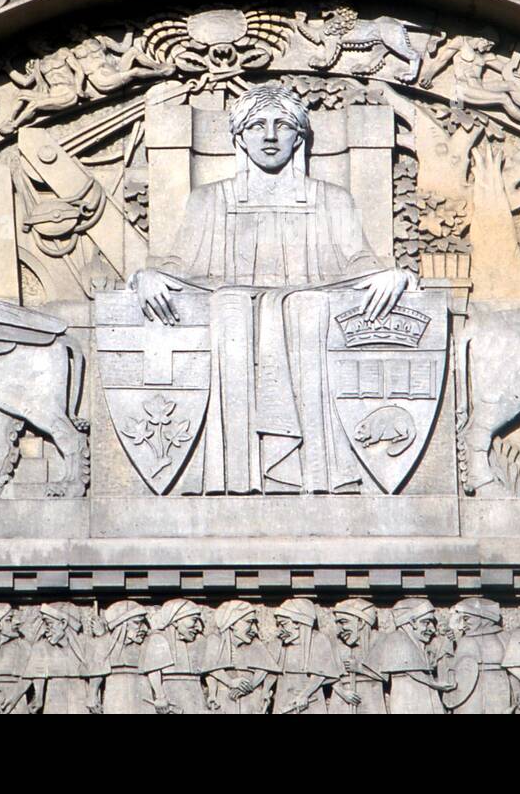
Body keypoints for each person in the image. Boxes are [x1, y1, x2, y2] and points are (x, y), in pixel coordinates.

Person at [129, 82, 412, 493]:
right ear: (239, 137)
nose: (270, 135)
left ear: (299, 135)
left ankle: (318, 472)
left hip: (310, 333)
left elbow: (361, 267)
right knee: (231, 306)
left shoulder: (331, 200)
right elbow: (178, 269)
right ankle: (235, 476)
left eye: (282, 125)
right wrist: (145, 277)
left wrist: (394, 275)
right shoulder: (210, 200)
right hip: (233, 333)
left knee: (307, 306)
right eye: (257, 125)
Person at [366, 598, 453, 714]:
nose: (432, 629)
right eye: (426, 622)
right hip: (408, 700)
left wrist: (448, 641)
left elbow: (434, 661)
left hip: (424, 698)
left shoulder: (421, 644)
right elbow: (411, 670)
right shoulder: (396, 638)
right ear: (412, 622)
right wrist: (435, 684)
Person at [202, 600, 279, 713]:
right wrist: (217, 691)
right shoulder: (215, 641)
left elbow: (268, 670)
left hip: (252, 700)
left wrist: (254, 687)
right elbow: (210, 670)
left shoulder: (256, 644)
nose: (254, 629)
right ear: (232, 623)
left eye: (255, 624)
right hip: (224, 700)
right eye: (249, 622)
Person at [270, 598, 339, 714]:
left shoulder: (318, 640)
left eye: (283, 624)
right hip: (283, 695)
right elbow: (272, 672)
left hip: (310, 698)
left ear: (298, 622)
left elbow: (320, 674)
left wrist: (304, 695)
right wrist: (265, 692)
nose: (279, 631)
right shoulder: (280, 644)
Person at [140, 599, 209, 714]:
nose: (198, 627)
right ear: (176, 620)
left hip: (196, 692)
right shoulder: (159, 639)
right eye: (194, 620)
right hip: (170, 693)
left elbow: (209, 670)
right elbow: (154, 670)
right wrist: (160, 696)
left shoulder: (199, 641)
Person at [328, 598, 386, 714]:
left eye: (343, 622)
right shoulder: (336, 644)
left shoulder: (381, 640)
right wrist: (342, 692)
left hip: (371, 699)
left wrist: (360, 668)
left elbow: (386, 674)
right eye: (337, 624)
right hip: (342, 701)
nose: (339, 630)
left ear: (361, 622)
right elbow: (328, 673)